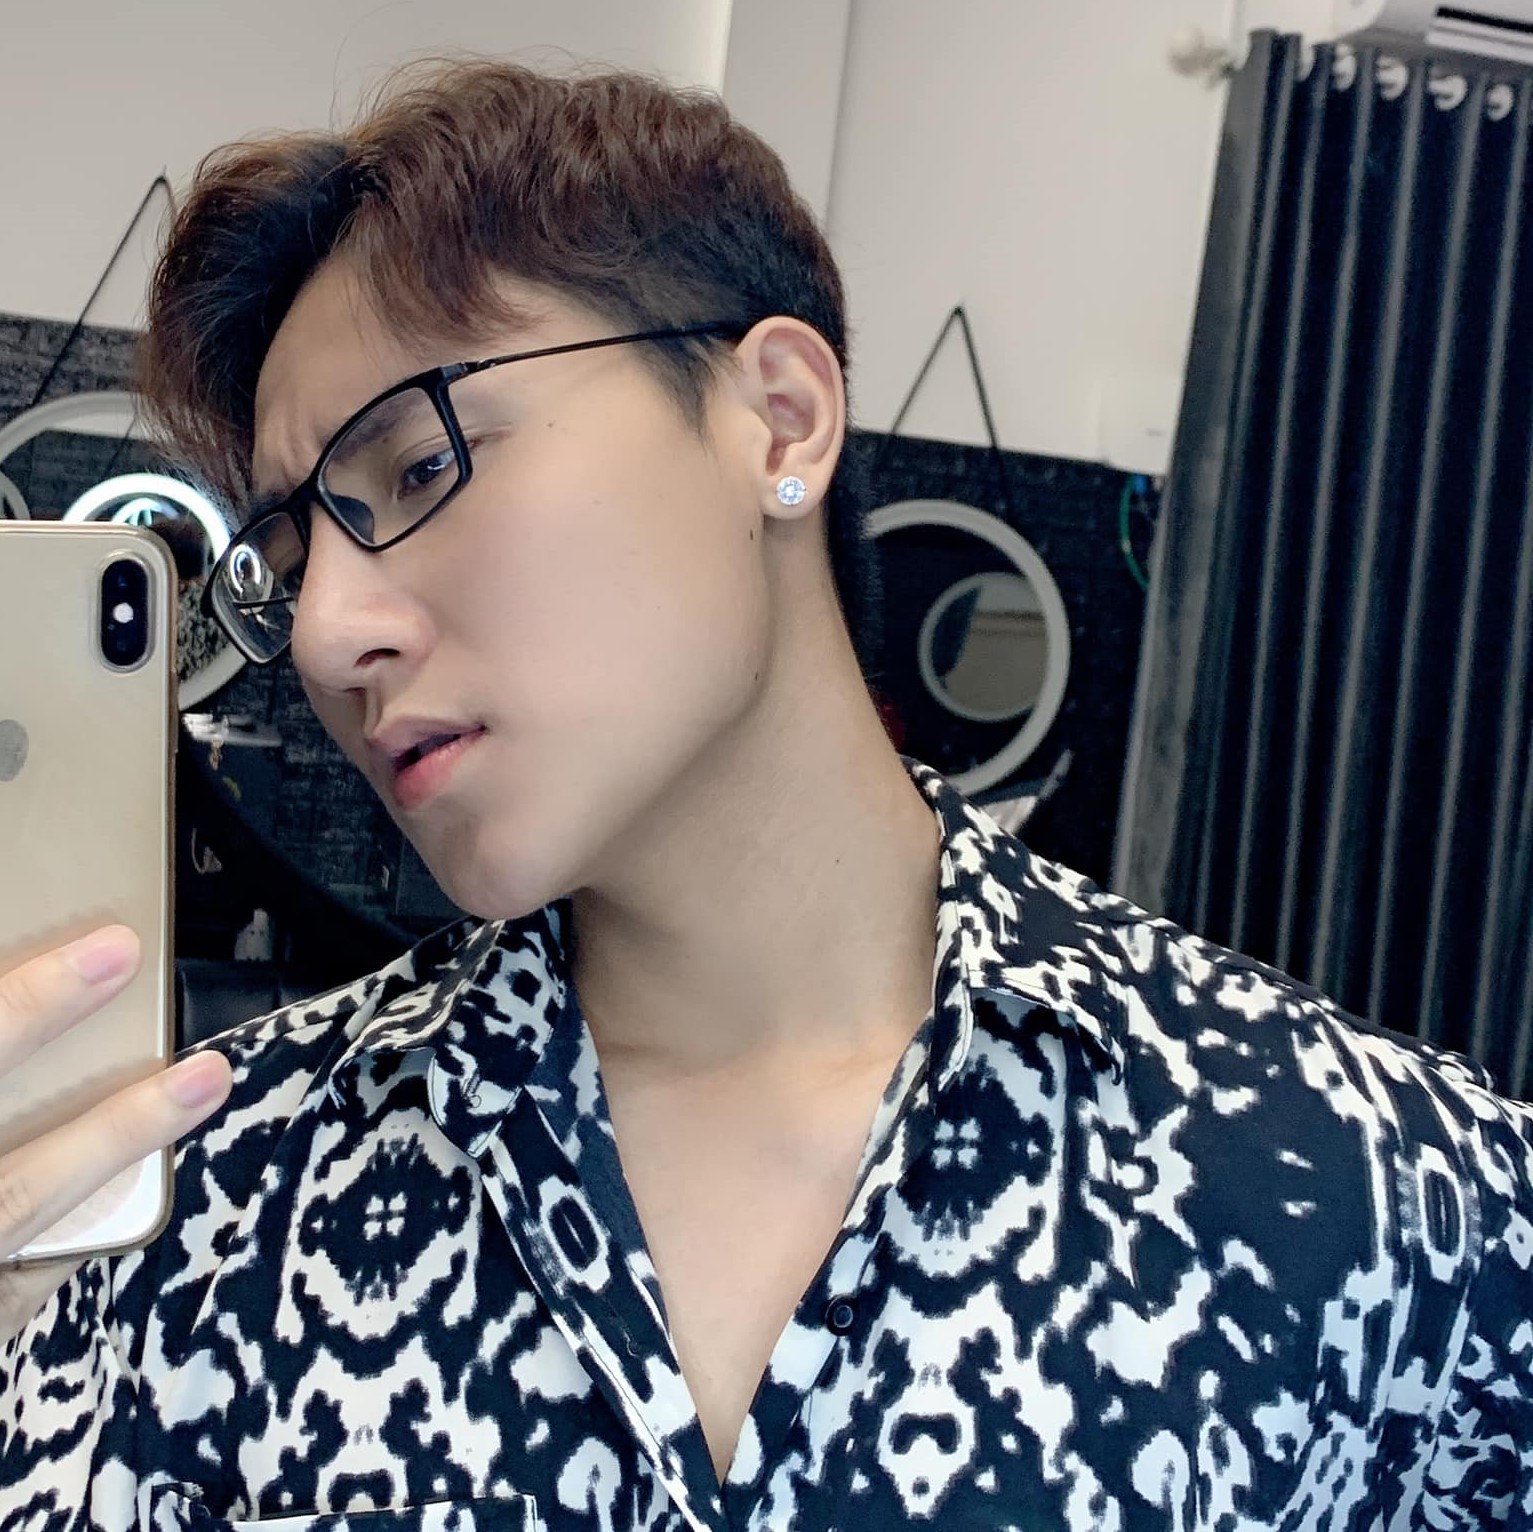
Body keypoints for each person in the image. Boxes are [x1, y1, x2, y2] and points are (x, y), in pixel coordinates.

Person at [1, 56, 1530, 1532]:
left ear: (779, 419)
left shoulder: (1376, 1193)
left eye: (415, 468)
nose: (331, 633)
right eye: (291, 562)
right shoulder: (210, 1203)